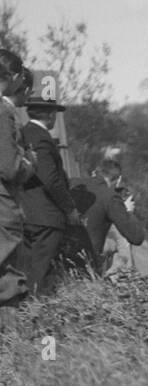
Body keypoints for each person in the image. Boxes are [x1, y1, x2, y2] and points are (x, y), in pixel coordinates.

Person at [17, 88, 81, 295]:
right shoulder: (42, 139)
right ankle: (36, 319)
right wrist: (69, 209)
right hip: (46, 216)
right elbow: (50, 179)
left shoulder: (23, 133)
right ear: (51, 114)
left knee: (27, 268)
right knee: (40, 273)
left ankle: (23, 317)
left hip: (26, 213)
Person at [0, 50, 35, 322]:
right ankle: (12, 356)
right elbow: (10, 168)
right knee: (10, 279)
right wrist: (29, 164)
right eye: (21, 74)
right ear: (12, 77)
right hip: (4, 206)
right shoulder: (4, 112)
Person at [69, 158, 145, 275]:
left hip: (59, 252)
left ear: (96, 171)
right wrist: (128, 211)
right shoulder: (110, 197)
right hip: (84, 264)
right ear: (118, 180)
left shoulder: (72, 182)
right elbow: (136, 237)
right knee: (121, 246)